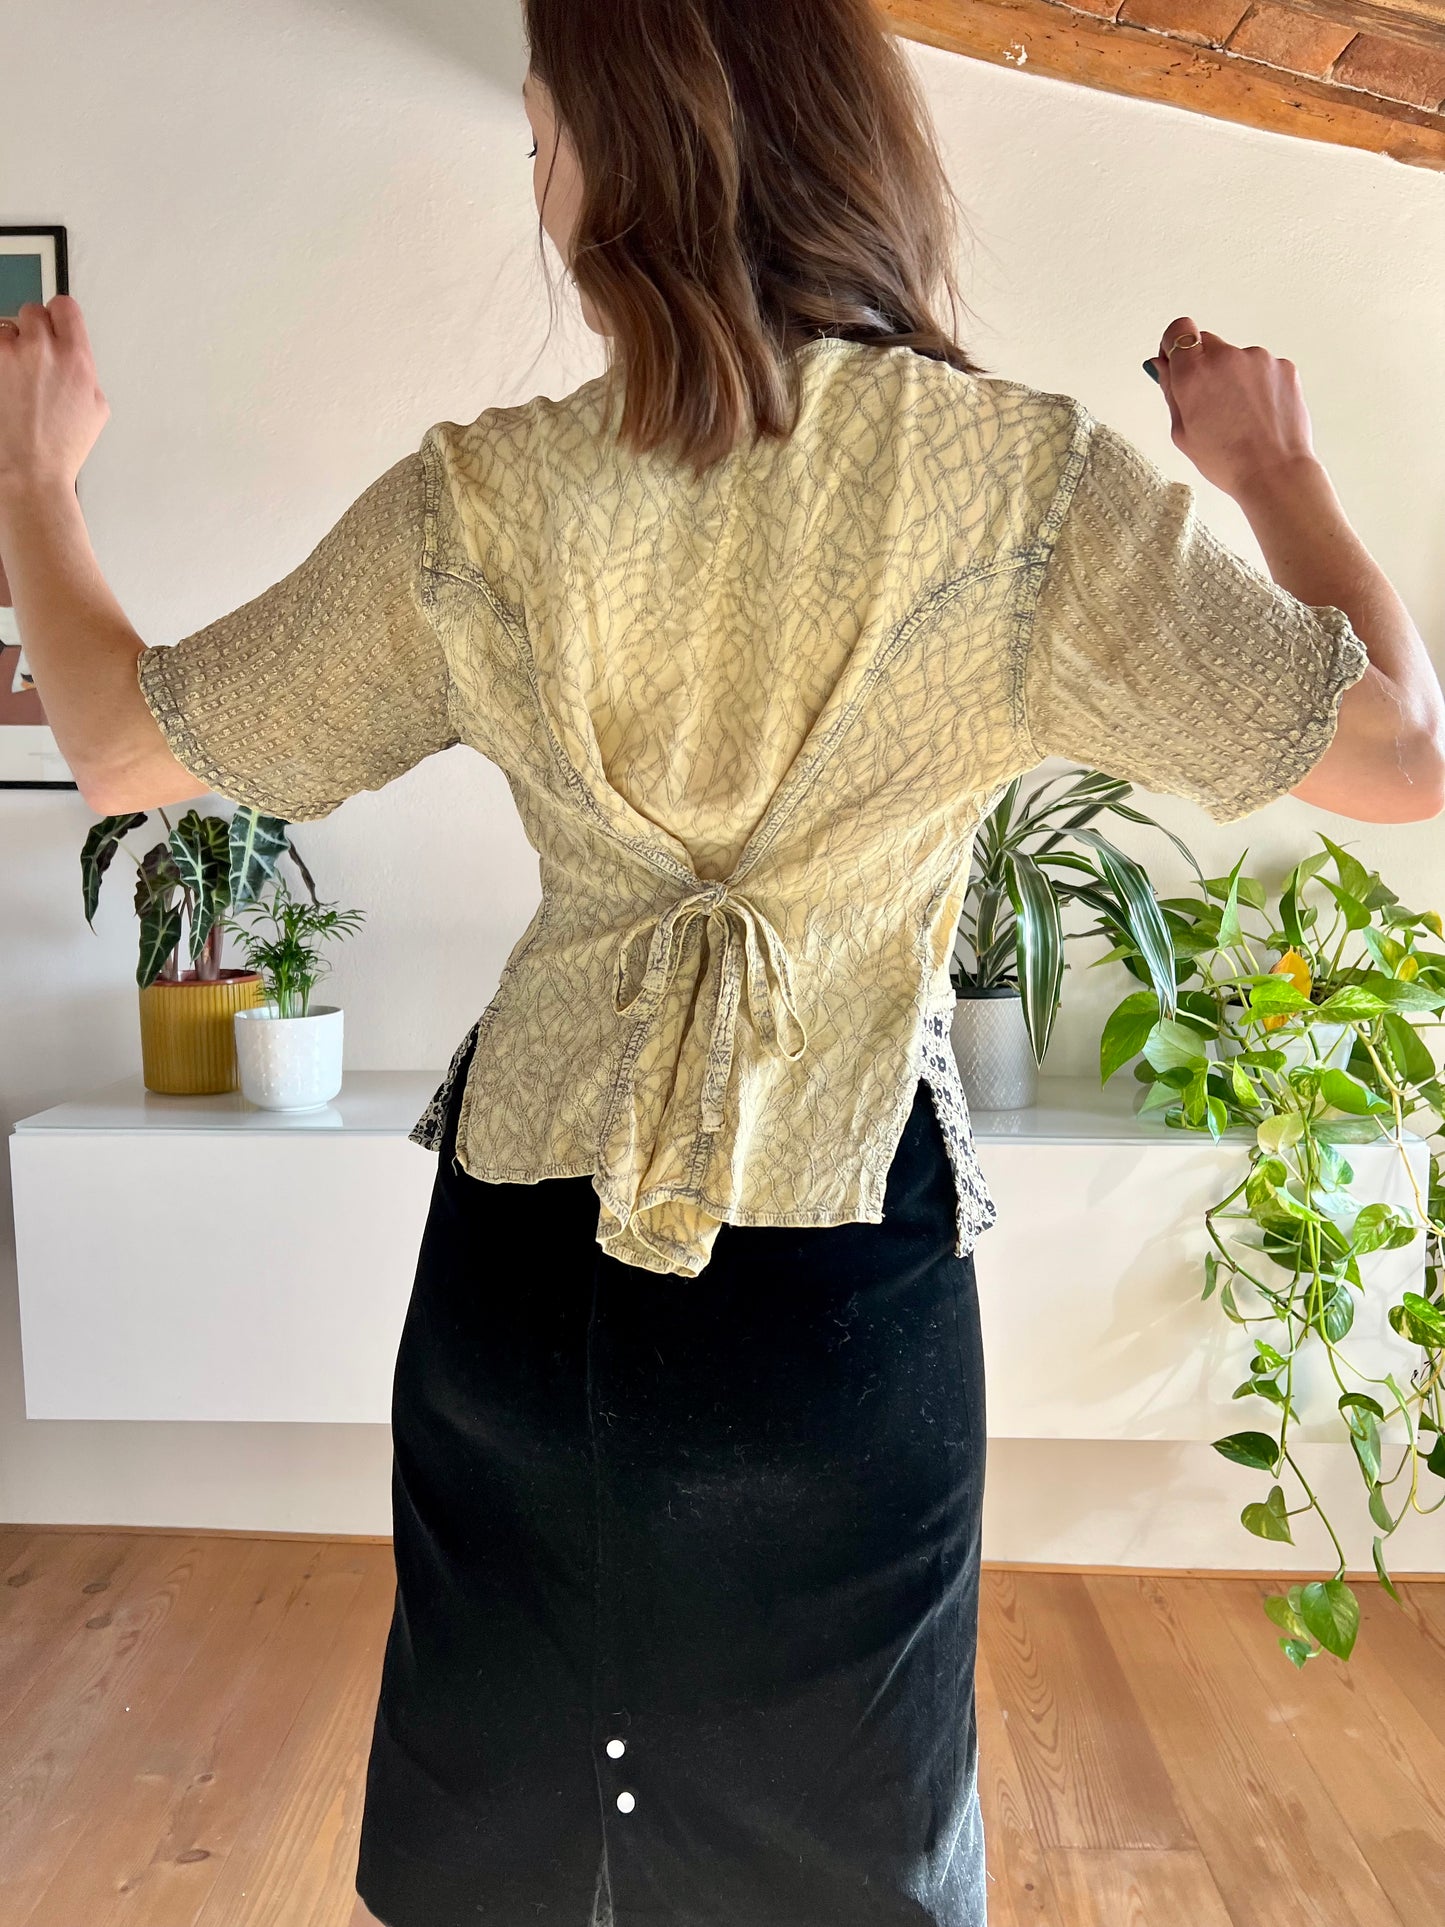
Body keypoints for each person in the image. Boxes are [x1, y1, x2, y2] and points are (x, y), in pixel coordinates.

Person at [2, 1, 1442, 1922]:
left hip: (527, 1265)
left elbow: (123, 745)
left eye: (543, 141)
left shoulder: (487, 498)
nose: (537, 189)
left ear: (633, 163)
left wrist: (34, 480)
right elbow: (1400, 757)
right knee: (842, 1844)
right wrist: (1269, 471)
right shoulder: (1017, 491)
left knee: (506, 1824)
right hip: (836, 1266)